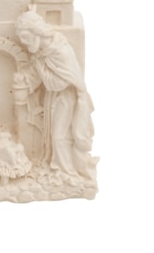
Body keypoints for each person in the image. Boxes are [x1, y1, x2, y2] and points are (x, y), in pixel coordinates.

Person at [15, 10, 97, 180]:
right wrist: (24, 79)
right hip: (53, 97)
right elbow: (39, 73)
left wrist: (40, 69)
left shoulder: (60, 52)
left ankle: (67, 171)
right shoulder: (43, 51)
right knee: (52, 134)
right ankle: (55, 165)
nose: (24, 42)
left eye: (25, 38)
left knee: (60, 136)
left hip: (66, 98)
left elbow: (56, 83)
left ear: (36, 33)